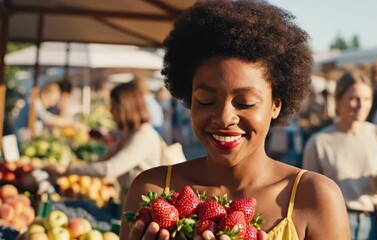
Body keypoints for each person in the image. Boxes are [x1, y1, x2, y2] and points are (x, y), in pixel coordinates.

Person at [122, 1, 350, 239]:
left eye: (245, 103)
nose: (224, 118)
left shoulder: (315, 198)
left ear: (276, 105)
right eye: (205, 100)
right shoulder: (153, 190)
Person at [44, 81, 185, 203]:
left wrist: (68, 170)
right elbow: (103, 159)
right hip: (133, 203)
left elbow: (109, 168)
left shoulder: (144, 136)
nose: (111, 111)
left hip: (146, 210)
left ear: (125, 108)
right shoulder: (129, 134)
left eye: (113, 106)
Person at [303, 71, 377, 240]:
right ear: (338, 100)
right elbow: (308, 195)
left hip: (374, 224)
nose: (362, 105)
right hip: (332, 224)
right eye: (354, 98)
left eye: (367, 99)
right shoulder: (318, 143)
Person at [13, 82, 86, 145]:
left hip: (28, 141)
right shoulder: (35, 103)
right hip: (22, 142)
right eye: (53, 100)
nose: (53, 104)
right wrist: (73, 124)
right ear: (45, 94)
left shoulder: (40, 104)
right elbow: (49, 119)